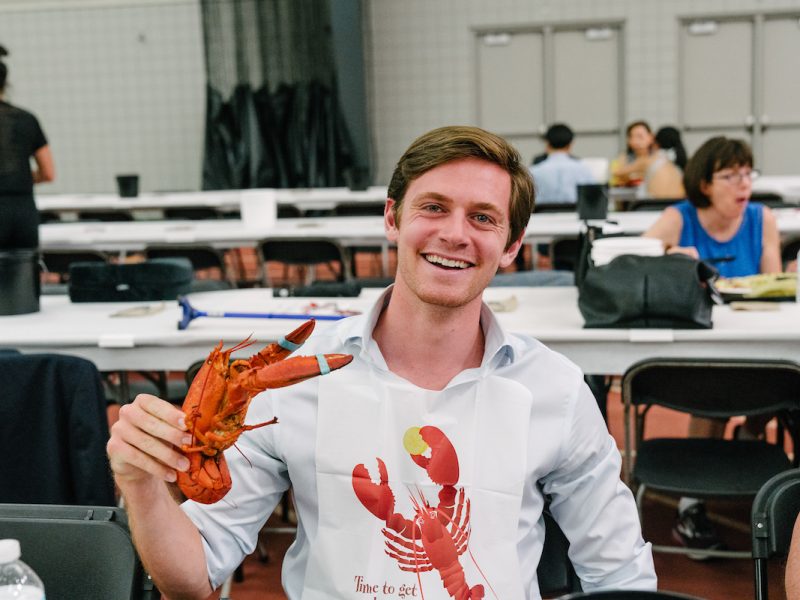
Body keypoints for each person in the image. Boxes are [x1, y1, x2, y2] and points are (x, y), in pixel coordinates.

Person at [107, 125, 657, 599]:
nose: (455, 234)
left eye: (483, 218)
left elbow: (620, 573)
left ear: (512, 245)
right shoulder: (285, 383)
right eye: (434, 207)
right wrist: (142, 485)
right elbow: (192, 574)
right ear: (392, 217)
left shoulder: (554, 389)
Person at [644, 135, 781, 555]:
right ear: (704, 182)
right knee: (711, 391)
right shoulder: (678, 217)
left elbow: (775, 288)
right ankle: (690, 504)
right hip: (697, 351)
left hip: (753, 344)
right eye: (730, 175)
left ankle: (752, 446)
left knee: (778, 386)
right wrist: (667, 256)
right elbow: (632, 265)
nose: (743, 184)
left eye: (747, 174)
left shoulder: (762, 218)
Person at [0, 45, 55, 249]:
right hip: (22, 211)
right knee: (23, 276)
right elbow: (48, 173)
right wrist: (19, 176)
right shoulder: (27, 119)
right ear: (5, 83)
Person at [530, 123, 596, 203]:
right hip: (574, 214)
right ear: (570, 145)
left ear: (548, 144)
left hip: (542, 215)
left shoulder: (533, 172)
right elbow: (593, 199)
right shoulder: (584, 170)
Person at [610, 120, 654, 188]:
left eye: (640, 137)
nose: (636, 141)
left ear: (651, 137)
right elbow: (616, 173)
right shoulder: (624, 156)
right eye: (632, 137)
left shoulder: (656, 155)